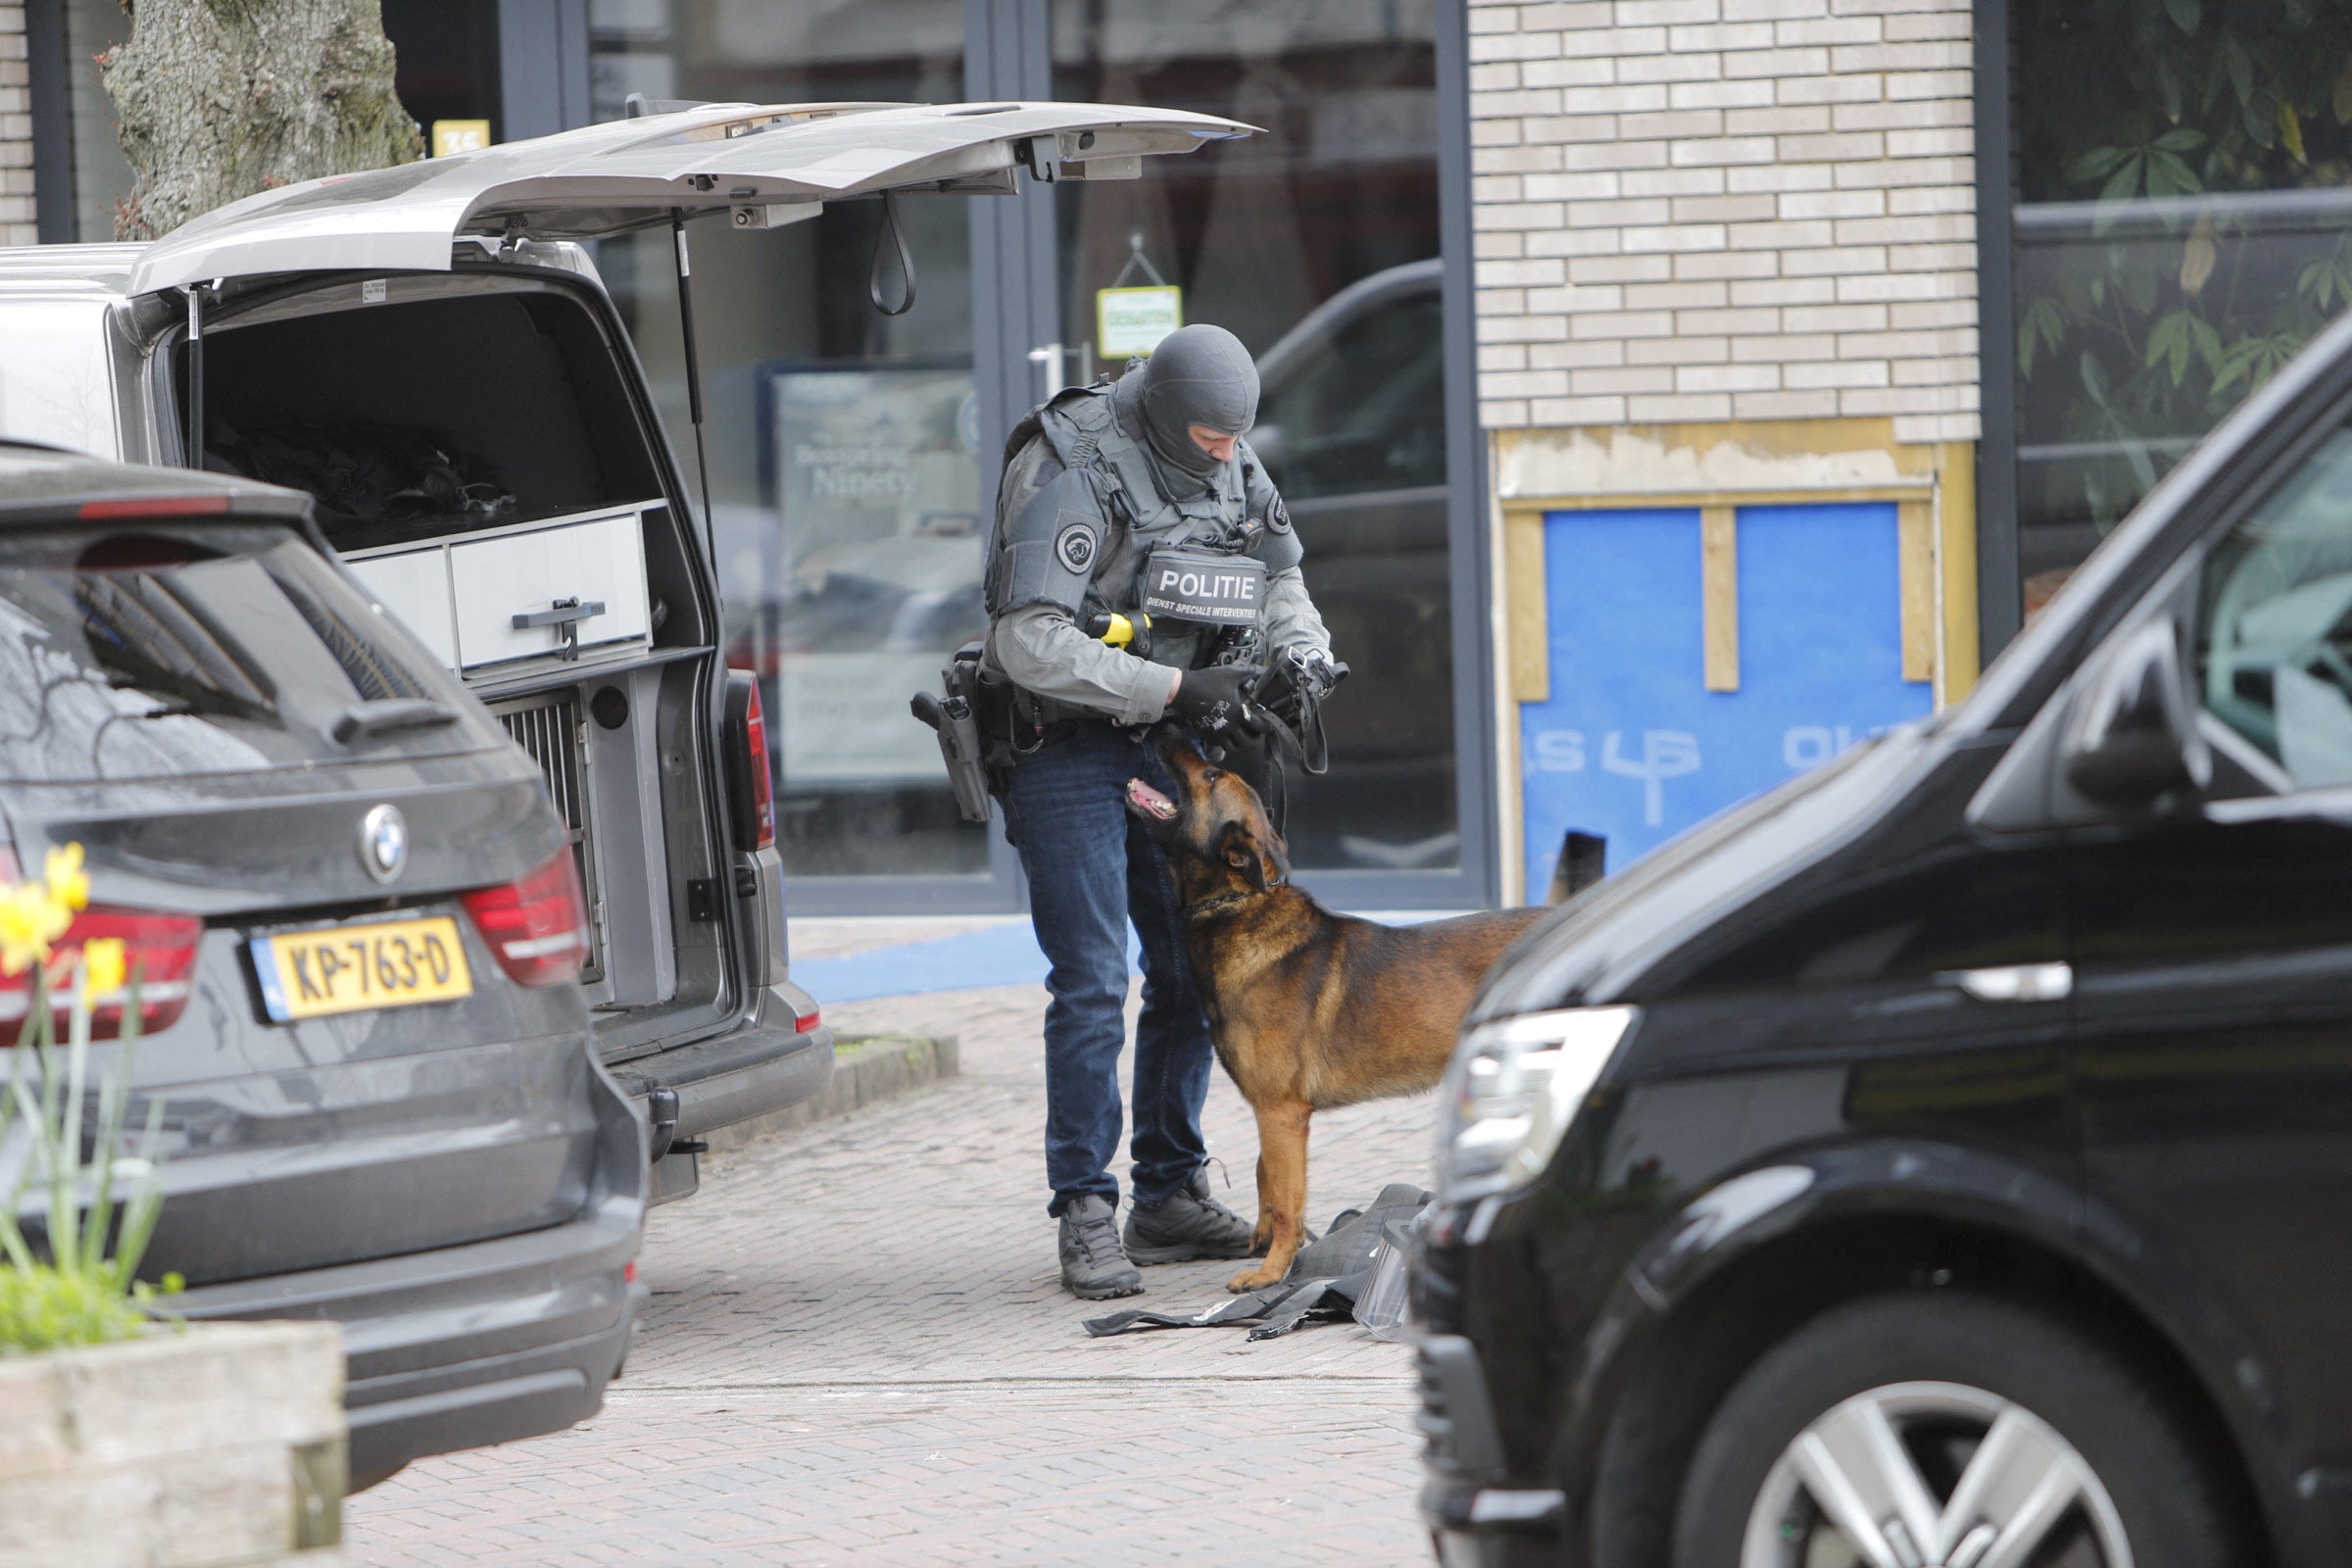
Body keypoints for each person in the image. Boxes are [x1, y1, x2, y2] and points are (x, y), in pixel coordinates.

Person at [981, 323, 1340, 1299]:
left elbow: (1280, 576)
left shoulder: (1224, 444)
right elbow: (1026, 641)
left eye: (1236, 439)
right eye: (1212, 440)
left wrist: (1301, 649)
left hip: (1172, 746)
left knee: (1191, 968)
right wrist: (1174, 688)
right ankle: (1085, 1208)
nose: (1228, 455)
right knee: (1095, 978)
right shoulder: (1074, 467)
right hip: (1068, 742)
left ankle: (1170, 1193)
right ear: (1166, 417)